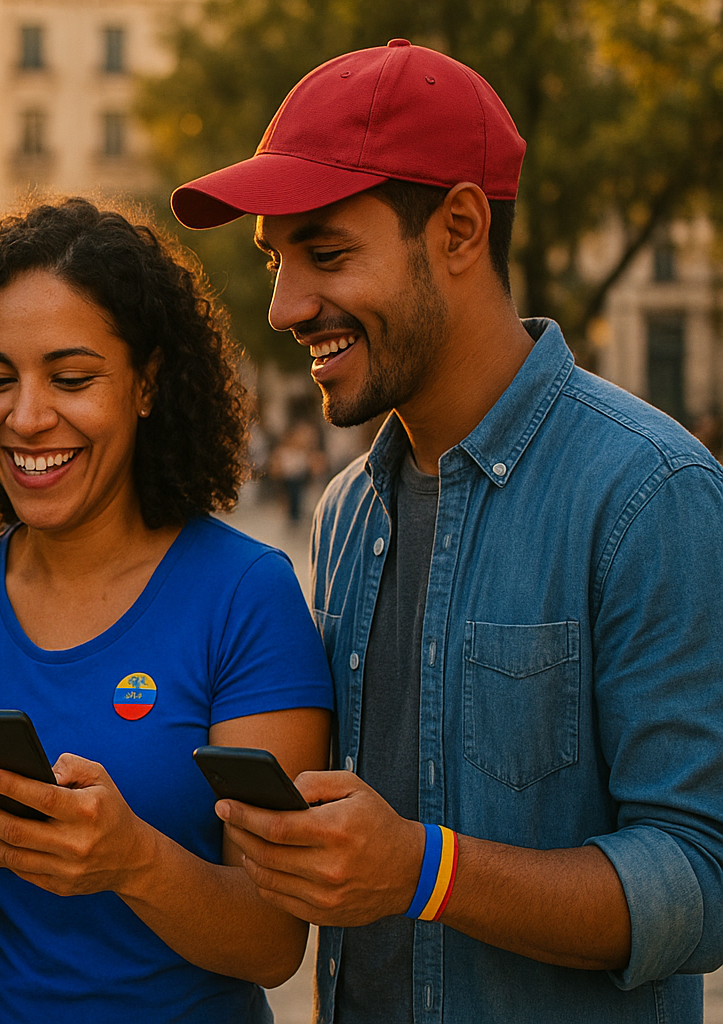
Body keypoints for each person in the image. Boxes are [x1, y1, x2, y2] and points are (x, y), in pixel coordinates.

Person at [171, 38, 723, 1024]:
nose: (286, 305)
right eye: (275, 259)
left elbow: (702, 876)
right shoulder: (345, 514)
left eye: (326, 252)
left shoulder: (651, 490)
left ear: (460, 228)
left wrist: (429, 870)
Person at [0, 197, 333, 1023]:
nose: (26, 417)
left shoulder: (246, 595)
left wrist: (133, 862)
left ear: (148, 384)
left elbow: (273, 943)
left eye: (71, 378)